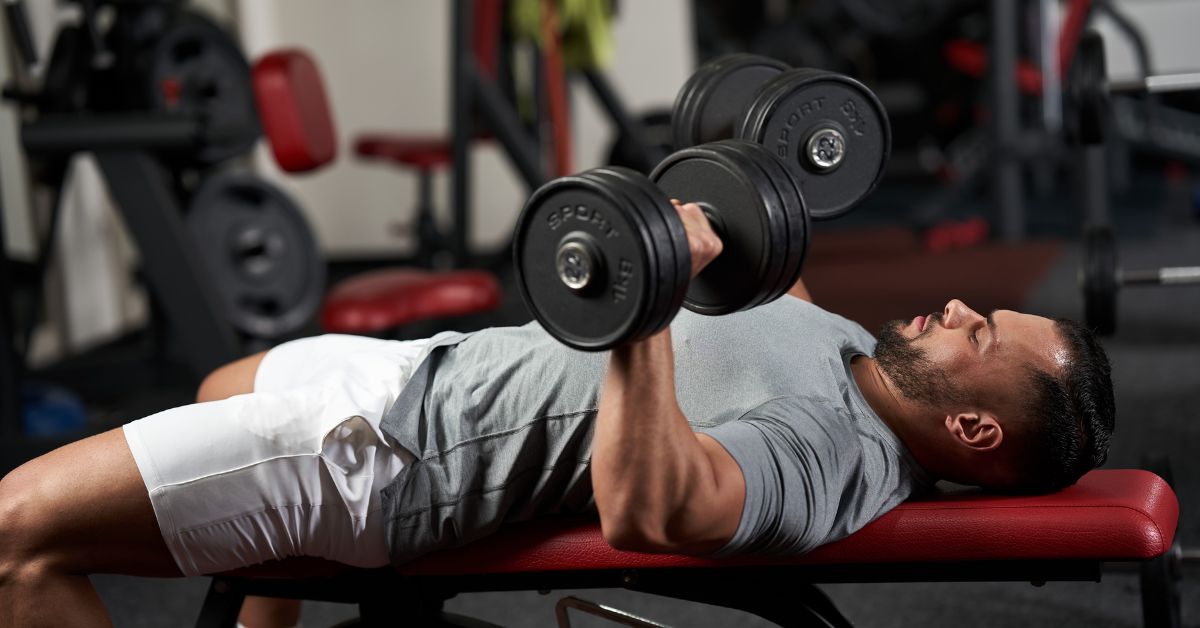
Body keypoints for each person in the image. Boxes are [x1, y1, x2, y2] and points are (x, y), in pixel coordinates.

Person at [0, 201, 1115, 628]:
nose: (963, 307)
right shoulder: (855, 361)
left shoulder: (833, 456)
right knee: (216, 390)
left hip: (386, 459)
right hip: (428, 373)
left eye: (983, 335)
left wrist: (643, 305)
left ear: (975, 433)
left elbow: (659, 510)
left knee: (18, 535)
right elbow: (766, 298)